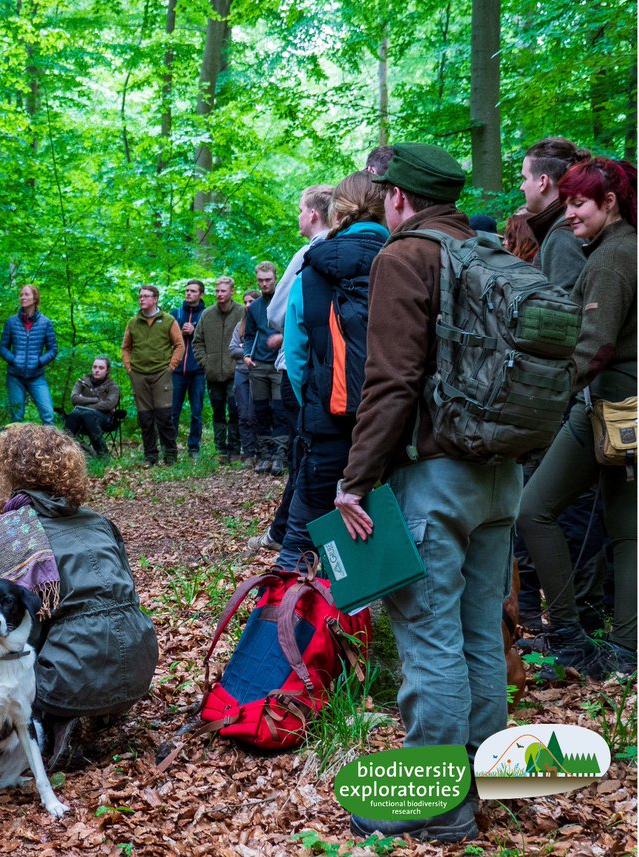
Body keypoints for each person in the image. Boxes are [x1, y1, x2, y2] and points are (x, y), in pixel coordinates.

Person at [334, 143, 520, 843]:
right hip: (503, 477)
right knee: (479, 632)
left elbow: (391, 382)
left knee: (430, 640)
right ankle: (483, 782)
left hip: (435, 478)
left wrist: (355, 481)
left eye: (386, 194)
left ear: (401, 198)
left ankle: (439, 805)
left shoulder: (404, 257)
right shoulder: (490, 253)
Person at [515, 157, 637, 678]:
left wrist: (535, 399)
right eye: (565, 202)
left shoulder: (611, 259)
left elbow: (593, 347)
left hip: (610, 408)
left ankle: (568, 637)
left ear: (609, 203)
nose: (569, 213)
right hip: (621, 409)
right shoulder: (620, 248)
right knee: (626, 531)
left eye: (579, 202)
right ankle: (627, 653)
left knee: (533, 510)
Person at [0, 423, 158, 763]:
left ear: (8, 469)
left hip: (71, 674)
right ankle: (94, 704)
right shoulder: (99, 521)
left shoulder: (16, 531)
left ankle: (50, 720)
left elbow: (14, 626)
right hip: (139, 665)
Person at [275, 170, 388, 570]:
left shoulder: (311, 270)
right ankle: (370, 616)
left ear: (336, 212)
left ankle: (290, 617)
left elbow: (295, 354)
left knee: (303, 532)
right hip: (396, 425)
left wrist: (315, 401)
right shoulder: (407, 261)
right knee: (390, 527)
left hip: (327, 422)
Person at [257, 185, 335, 551]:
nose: (299, 217)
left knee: (303, 453)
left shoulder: (309, 254)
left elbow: (274, 314)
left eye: (301, 210)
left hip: (299, 367)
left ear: (315, 214)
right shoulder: (362, 249)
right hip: (340, 370)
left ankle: (290, 536)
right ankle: (284, 529)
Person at [122, 285, 185, 466]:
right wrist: (129, 369)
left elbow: (179, 345)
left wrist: (171, 367)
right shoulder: (133, 323)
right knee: (145, 418)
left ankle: (170, 455)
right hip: (139, 374)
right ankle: (150, 456)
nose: (142, 299)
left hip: (161, 374)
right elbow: (126, 348)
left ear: (155, 299)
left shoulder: (168, 320)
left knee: (164, 416)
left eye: (146, 296)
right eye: (140, 296)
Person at [520, 137, 592, 291]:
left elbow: (568, 310)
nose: (522, 187)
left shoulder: (564, 235)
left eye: (525, 179)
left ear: (543, 182)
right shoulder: (567, 225)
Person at [242, 262, 289, 475]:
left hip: (279, 364)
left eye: (268, 279)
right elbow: (250, 334)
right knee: (260, 410)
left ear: (275, 278)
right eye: (260, 280)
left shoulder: (286, 301)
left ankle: (280, 455)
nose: (264, 284)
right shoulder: (254, 308)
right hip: (258, 364)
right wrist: (247, 355)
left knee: (280, 410)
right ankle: (264, 454)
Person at [192, 276, 242, 463]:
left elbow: (249, 338)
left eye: (223, 291)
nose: (219, 294)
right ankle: (220, 449)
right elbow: (198, 342)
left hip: (235, 372)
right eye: (217, 291)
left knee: (235, 410)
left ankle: (235, 449)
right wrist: (206, 362)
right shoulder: (207, 314)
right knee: (218, 412)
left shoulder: (241, 312)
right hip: (213, 373)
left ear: (231, 291)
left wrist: (239, 363)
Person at [0, 284, 58, 425]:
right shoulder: (12, 321)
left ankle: (50, 447)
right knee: (16, 417)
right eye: (21, 295)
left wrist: (39, 361)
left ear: (35, 298)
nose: (22, 297)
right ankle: (14, 447)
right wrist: (13, 360)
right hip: (15, 376)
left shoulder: (46, 323)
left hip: (36, 376)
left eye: (26, 294)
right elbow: (2, 347)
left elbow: (53, 350)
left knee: (48, 415)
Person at [170, 280, 207, 460]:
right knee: (172, 412)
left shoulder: (206, 315)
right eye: (186, 291)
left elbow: (213, 340)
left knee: (196, 412)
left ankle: (194, 448)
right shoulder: (175, 314)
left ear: (201, 294)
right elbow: (166, 340)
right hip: (176, 371)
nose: (188, 294)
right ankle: (170, 448)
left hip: (198, 371)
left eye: (193, 291)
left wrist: (195, 331)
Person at [64, 356, 121, 458]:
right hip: (81, 419)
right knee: (75, 413)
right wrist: (96, 400)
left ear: (107, 370)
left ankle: (103, 455)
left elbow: (109, 404)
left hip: (104, 420)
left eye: (101, 368)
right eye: (94, 367)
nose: (97, 370)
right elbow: (74, 399)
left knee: (86, 413)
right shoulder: (82, 381)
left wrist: (85, 403)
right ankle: (64, 452)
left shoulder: (112, 386)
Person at [229, 290, 261, 466]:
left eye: (251, 301)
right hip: (241, 372)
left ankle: (261, 451)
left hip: (259, 372)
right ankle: (248, 452)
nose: (248, 305)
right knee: (243, 414)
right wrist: (249, 351)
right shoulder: (239, 325)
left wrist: (248, 349)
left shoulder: (264, 322)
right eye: (246, 302)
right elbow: (233, 349)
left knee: (258, 412)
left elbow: (266, 348)